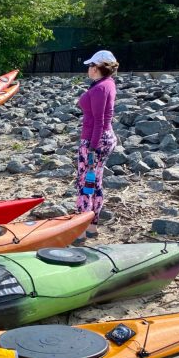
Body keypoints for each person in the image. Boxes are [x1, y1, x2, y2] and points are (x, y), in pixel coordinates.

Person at [74, 50, 119, 244]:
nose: (88, 69)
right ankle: (91, 227)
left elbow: (100, 121)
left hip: (96, 141)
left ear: (98, 68)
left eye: (91, 66)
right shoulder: (106, 84)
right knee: (94, 182)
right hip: (102, 139)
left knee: (85, 184)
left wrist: (91, 148)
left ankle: (81, 230)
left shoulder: (101, 88)